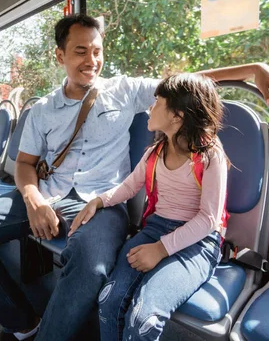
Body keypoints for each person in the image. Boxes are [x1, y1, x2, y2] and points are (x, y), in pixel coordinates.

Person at [0, 14, 269, 341]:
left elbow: (184, 88)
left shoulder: (124, 90)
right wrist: (34, 202)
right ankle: (22, 321)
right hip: (48, 194)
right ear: (59, 55)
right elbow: (25, 165)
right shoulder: (43, 110)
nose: (91, 60)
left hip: (104, 202)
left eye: (97, 51)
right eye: (80, 51)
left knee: (92, 267)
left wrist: (252, 69)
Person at [69, 73, 227, 340]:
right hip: (155, 230)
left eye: (156, 102)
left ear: (177, 116)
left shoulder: (210, 156)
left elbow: (208, 219)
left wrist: (162, 249)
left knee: (144, 317)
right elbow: (129, 187)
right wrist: (99, 200)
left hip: (198, 243)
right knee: (108, 300)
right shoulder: (153, 153)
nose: (150, 108)